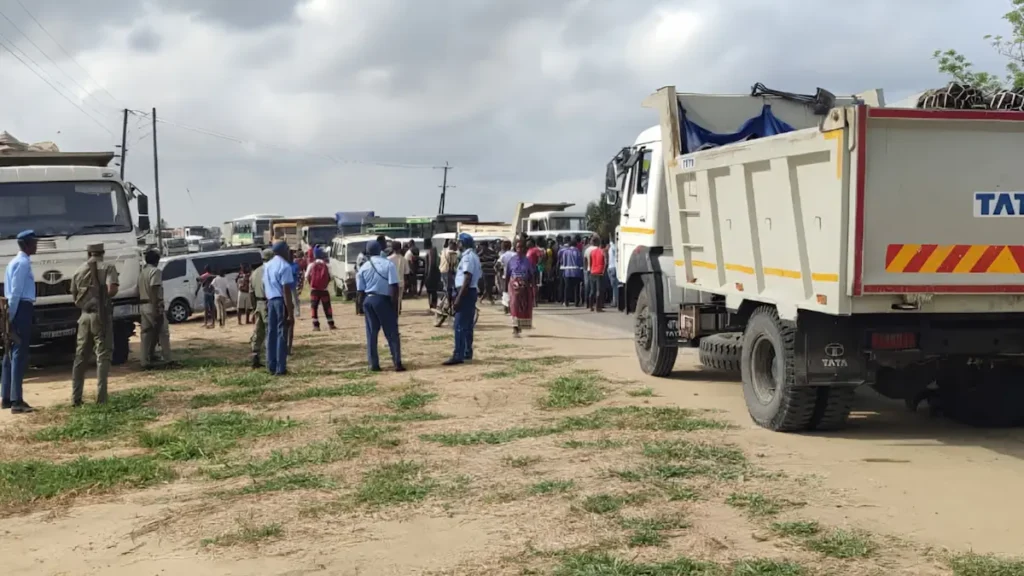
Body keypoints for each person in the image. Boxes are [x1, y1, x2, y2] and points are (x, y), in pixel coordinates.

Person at [70, 243, 119, 406]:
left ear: (89, 253)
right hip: (101, 315)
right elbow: (113, 290)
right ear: (102, 253)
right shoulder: (108, 267)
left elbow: (74, 296)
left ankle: (76, 398)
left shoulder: (79, 270)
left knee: (80, 357)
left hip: (84, 316)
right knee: (103, 356)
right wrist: (102, 297)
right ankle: (101, 398)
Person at [2, 229, 36, 414]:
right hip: (21, 308)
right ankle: (17, 401)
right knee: (19, 353)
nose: (36, 246)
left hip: (15, 308)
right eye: (34, 242)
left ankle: (6, 397)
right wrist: (12, 315)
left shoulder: (13, 262)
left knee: (10, 352)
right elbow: (15, 292)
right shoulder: (22, 263)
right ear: (27, 245)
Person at [356, 240, 404, 372]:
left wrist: (360, 307)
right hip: (383, 300)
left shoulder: (364, 267)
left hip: (368, 300)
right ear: (380, 250)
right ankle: (397, 363)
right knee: (391, 333)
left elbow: (360, 291)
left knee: (371, 334)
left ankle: (373, 364)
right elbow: (394, 287)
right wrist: (395, 307)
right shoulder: (388, 264)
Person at [444, 233, 482, 366]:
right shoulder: (472, 256)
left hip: (465, 292)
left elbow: (467, 278)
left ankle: (458, 354)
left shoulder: (468, 257)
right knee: (467, 325)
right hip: (469, 292)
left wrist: (459, 298)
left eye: (459, 242)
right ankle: (466, 352)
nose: (457, 244)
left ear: (463, 243)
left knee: (459, 325)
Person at [263, 241, 295, 375]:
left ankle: (271, 365)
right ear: (283, 251)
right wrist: (290, 313)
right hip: (281, 301)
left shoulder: (267, 265)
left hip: (270, 300)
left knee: (271, 333)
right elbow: (286, 289)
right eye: (287, 249)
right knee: (282, 334)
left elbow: (265, 286)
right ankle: (280, 368)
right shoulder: (285, 266)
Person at [138, 249, 165, 369]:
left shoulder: (142, 272)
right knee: (162, 332)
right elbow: (154, 288)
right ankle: (165, 358)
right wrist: (155, 308)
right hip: (152, 304)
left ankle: (145, 360)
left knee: (146, 334)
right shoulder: (155, 271)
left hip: (143, 305)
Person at [505, 239, 536, 338]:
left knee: (523, 307)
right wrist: (505, 291)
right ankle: (515, 327)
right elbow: (507, 275)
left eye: (522, 247)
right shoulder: (511, 261)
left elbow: (531, 275)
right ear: (515, 248)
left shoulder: (527, 261)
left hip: (524, 286)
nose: (520, 249)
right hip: (513, 287)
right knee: (514, 305)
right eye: (518, 247)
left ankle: (520, 325)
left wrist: (533, 287)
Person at [249, 249, 273, 369]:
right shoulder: (269, 270)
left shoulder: (255, 272)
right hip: (268, 303)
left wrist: (254, 307)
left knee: (258, 331)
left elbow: (251, 292)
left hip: (258, 303)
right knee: (270, 331)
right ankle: (270, 359)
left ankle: (255, 356)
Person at [305, 247, 336, 331]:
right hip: (324, 290)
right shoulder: (327, 265)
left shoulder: (311, 265)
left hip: (314, 290)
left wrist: (311, 283)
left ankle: (316, 326)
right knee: (327, 307)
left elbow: (306, 276)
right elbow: (331, 277)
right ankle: (331, 324)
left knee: (314, 307)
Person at [558, 237, 583, 307]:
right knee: (576, 288)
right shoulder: (578, 252)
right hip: (576, 272)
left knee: (567, 288)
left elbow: (562, 262)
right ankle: (576, 303)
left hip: (567, 272)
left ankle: (566, 302)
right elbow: (580, 262)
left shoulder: (565, 252)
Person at [388, 241, 409, 315]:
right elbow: (406, 272)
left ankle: (392, 310)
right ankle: (397, 310)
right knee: (399, 297)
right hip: (401, 281)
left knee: (391, 297)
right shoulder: (404, 259)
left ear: (392, 248)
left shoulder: (388, 259)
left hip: (390, 282)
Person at [587, 236, 606, 312]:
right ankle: (598, 308)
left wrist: (591, 269)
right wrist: (604, 271)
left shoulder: (592, 252)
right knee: (599, 290)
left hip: (592, 272)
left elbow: (590, 262)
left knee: (592, 290)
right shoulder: (603, 252)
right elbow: (606, 262)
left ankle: (590, 306)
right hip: (599, 272)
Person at [423, 238, 441, 310]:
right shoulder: (434, 250)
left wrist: (428, 275)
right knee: (432, 291)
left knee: (431, 291)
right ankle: (432, 306)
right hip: (434, 274)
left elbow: (431, 264)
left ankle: (432, 306)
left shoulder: (431, 251)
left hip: (431, 274)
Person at [496, 240, 514, 314]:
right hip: (515, 276)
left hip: (505, 276)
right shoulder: (515, 254)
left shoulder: (503, 256)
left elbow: (497, 266)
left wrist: (499, 272)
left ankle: (506, 308)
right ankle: (512, 308)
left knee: (505, 292)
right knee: (513, 292)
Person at [583, 236, 597, 306]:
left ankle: (587, 302)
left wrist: (586, 268)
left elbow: (585, 260)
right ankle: (594, 302)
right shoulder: (597, 249)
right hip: (596, 270)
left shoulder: (587, 249)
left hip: (588, 270)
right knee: (595, 287)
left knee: (587, 286)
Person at [290, 251, 303, 319]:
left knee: (295, 299)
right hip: (285, 286)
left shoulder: (295, 265)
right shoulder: (284, 265)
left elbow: (298, 275)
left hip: (293, 285)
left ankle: (297, 312)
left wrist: (299, 285)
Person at [608, 232, 619, 309]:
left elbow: (611, 241)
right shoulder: (614, 247)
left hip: (612, 268)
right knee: (614, 286)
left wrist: (610, 236)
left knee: (614, 287)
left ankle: (615, 302)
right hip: (614, 268)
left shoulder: (612, 247)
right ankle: (615, 301)